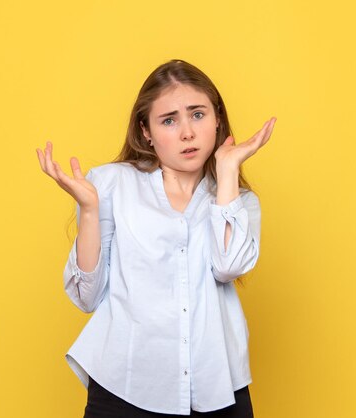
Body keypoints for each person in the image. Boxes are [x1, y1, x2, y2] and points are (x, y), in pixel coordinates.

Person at [36, 59, 276, 417]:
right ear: (145, 131)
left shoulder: (239, 202)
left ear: (217, 119)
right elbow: (87, 297)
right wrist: (89, 209)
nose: (187, 133)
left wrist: (228, 170)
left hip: (216, 389)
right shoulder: (111, 184)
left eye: (198, 114)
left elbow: (228, 267)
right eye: (168, 120)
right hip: (126, 389)